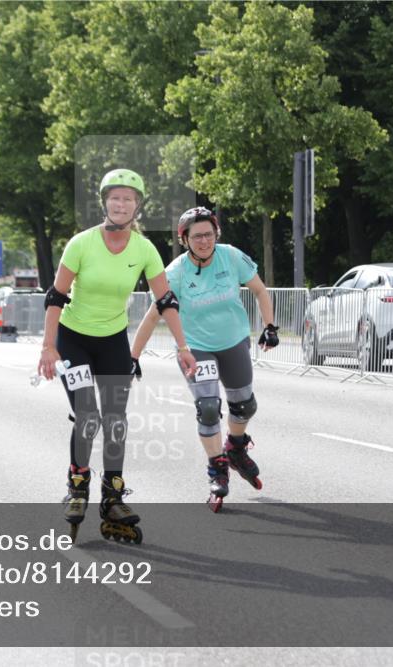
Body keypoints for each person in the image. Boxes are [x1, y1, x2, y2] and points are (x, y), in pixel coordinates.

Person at [38, 168, 197, 542]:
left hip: (112, 341)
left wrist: (183, 347)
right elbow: (55, 297)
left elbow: (166, 300)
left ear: (137, 206)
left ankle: (113, 495)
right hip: (72, 339)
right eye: (115, 198)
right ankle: (78, 485)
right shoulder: (81, 243)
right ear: (105, 202)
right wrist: (48, 346)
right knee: (88, 414)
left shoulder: (144, 249)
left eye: (128, 199)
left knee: (115, 419)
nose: (121, 204)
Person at [130, 206, 279, 513]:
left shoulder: (231, 257)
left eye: (209, 234)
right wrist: (133, 357)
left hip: (233, 340)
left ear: (216, 234)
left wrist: (270, 327)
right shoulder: (175, 273)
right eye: (196, 236)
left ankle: (236, 447)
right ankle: (217, 467)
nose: (204, 241)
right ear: (185, 239)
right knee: (209, 408)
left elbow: (261, 292)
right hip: (196, 347)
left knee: (245, 405)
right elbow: (150, 318)